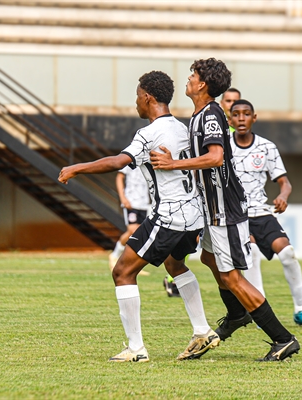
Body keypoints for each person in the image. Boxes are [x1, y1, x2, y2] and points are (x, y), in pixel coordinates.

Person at [59, 71, 220, 362]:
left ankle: (136, 349)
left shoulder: (149, 133)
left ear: (147, 97)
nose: (136, 102)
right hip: (194, 214)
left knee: (122, 272)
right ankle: (202, 331)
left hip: (169, 214)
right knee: (174, 263)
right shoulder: (182, 128)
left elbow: (118, 162)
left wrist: (76, 168)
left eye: (137, 96)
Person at [151, 58, 300, 362]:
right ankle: (236, 315)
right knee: (208, 258)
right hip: (212, 210)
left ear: (203, 84)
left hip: (224, 211)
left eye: (192, 75)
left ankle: (283, 339)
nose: (188, 80)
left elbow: (216, 157)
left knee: (232, 278)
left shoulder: (210, 116)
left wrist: (173, 164)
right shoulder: (200, 116)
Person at [229, 99, 302, 329]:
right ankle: (261, 313)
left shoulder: (266, 147)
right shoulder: (222, 148)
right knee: (250, 256)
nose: (241, 118)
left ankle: (301, 310)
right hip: (237, 215)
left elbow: (285, 182)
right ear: (230, 119)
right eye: (236, 114)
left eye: (246, 114)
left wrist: (283, 196)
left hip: (261, 213)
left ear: (254, 118)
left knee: (288, 253)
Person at [109, 165, 150, 275]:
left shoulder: (148, 159)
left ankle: (131, 264)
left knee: (139, 234)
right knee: (133, 230)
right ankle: (114, 255)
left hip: (144, 203)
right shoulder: (131, 157)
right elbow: (119, 177)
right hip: (131, 201)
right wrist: (123, 197)